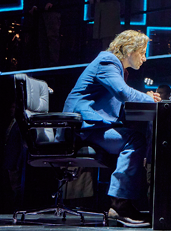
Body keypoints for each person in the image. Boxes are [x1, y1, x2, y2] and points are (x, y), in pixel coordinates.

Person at [63, 30, 161, 227]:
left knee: (134, 138)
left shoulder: (117, 69)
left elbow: (122, 96)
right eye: (142, 52)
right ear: (128, 50)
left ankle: (122, 202)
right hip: (82, 127)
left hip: (91, 126)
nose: (145, 57)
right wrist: (147, 98)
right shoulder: (107, 61)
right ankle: (119, 204)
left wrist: (145, 97)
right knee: (135, 140)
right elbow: (123, 93)